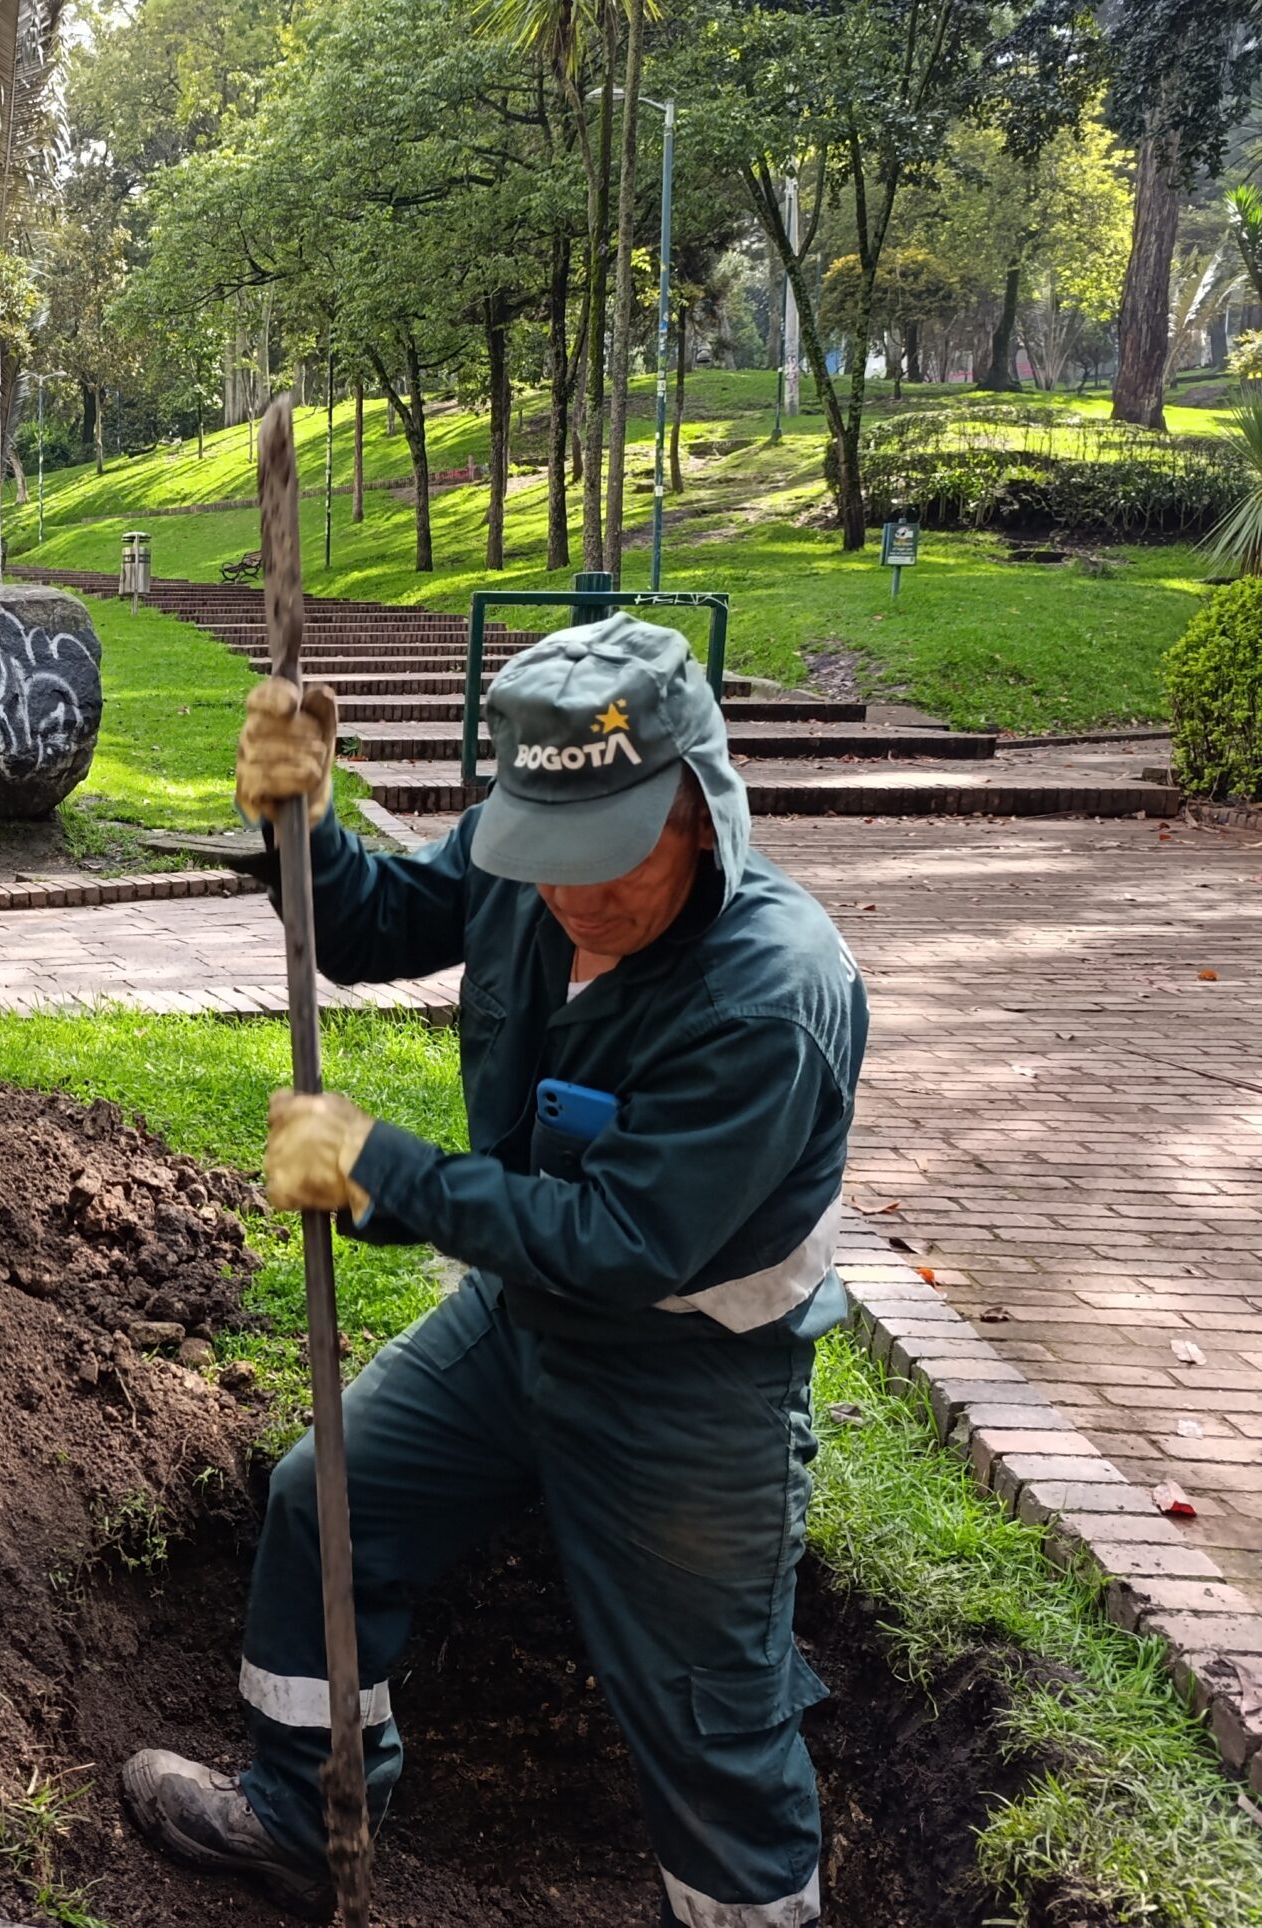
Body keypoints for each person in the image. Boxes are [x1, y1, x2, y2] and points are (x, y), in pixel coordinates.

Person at [122, 615, 868, 1928]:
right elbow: (369, 925)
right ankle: (308, 1822)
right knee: (325, 1504)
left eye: (609, 860)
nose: (570, 896)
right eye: (548, 859)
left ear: (699, 803)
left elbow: (619, 1243)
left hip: (690, 1377)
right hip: (523, 1324)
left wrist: (382, 1173)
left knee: (711, 1716)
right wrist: (302, 821)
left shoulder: (770, 997)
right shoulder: (534, 857)